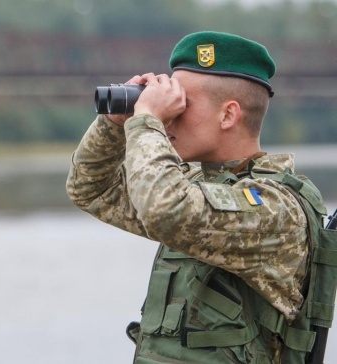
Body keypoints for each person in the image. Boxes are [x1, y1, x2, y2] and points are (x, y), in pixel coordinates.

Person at [67, 31, 329, 363]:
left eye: (182, 104)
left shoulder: (275, 209)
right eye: (168, 101)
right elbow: (92, 188)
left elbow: (167, 209)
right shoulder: (191, 187)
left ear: (228, 115)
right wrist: (113, 124)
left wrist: (148, 121)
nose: (169, 115)